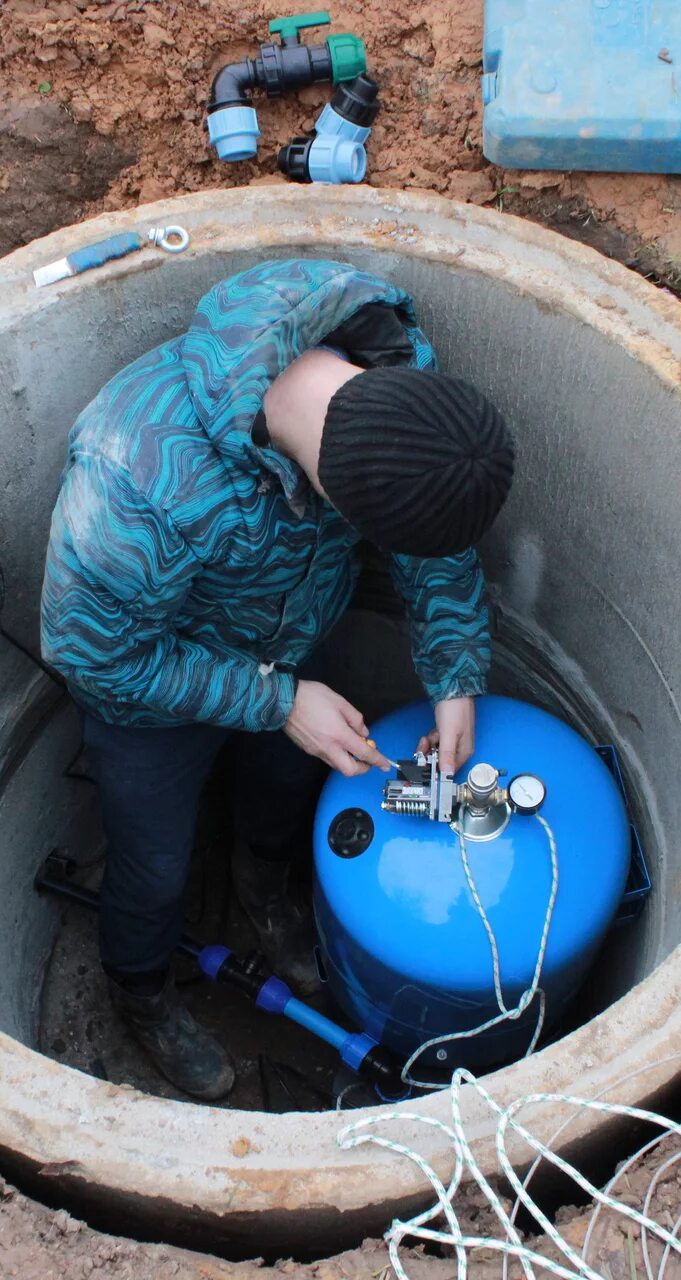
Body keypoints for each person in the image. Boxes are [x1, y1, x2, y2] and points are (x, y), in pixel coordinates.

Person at [40, 258, 514, 1099]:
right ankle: (142, 992)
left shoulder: (395, 384)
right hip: (152, 691)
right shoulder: (139, 483)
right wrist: (277, 699)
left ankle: (266, 889)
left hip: (294, 642)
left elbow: (432, 547)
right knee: (152, 862)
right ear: (332, 495)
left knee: (286, 782)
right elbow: (96, 655)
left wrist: (452, 671)